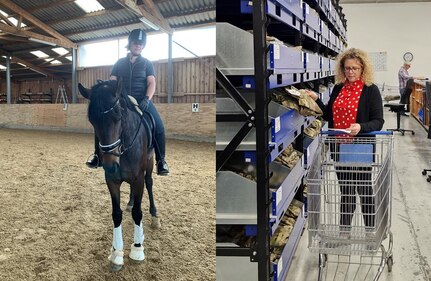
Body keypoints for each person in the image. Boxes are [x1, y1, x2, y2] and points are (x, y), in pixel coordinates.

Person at [306, 48, 384, 238]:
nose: (350, 72)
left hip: (361, 147)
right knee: (346, 189)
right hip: (339, 146)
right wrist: (317, 100)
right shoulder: (338, 88)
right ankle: (344, 231)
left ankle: (370, 231)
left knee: (364, 189)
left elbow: (378, 121)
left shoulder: (370, 89)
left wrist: (361, 127)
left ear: (362, 69)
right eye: (347, 68)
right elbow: (328, 115)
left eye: (355, 68)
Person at [86, 28, 169, 176]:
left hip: (141, 100)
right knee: (104, 123)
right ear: (130, 44)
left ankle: (161, 161)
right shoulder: (119, 63)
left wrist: (146, 99)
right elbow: (113, 81)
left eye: (141, 44)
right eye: (136, 43)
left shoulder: (147, 64)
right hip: (122, 100)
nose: (138, 46)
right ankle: (97, 156)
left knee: (159, 126)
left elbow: (152, 83)